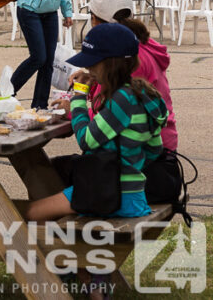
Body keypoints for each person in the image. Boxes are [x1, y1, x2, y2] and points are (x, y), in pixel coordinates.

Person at [50, 0, 181, 204]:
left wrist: (75, 107)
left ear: (97, 22)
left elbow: (109, 121)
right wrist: (92, 80)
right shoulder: (137, 48)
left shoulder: (130, 60)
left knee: (53, 171)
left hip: (145, 164)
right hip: (154, 154)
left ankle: (71, 231)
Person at [26, 23, 167, 223]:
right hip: (133, 196)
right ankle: (53, 249)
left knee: (32, 212)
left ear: (111, 64)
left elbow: (86, 139)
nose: (89, 69)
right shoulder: (143, 94)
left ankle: (38, 251)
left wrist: (79, 96)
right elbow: (155, 149)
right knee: (46, 189)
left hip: (109, 193)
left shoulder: (121, 99)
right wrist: (129, 164)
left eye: (93, 64)